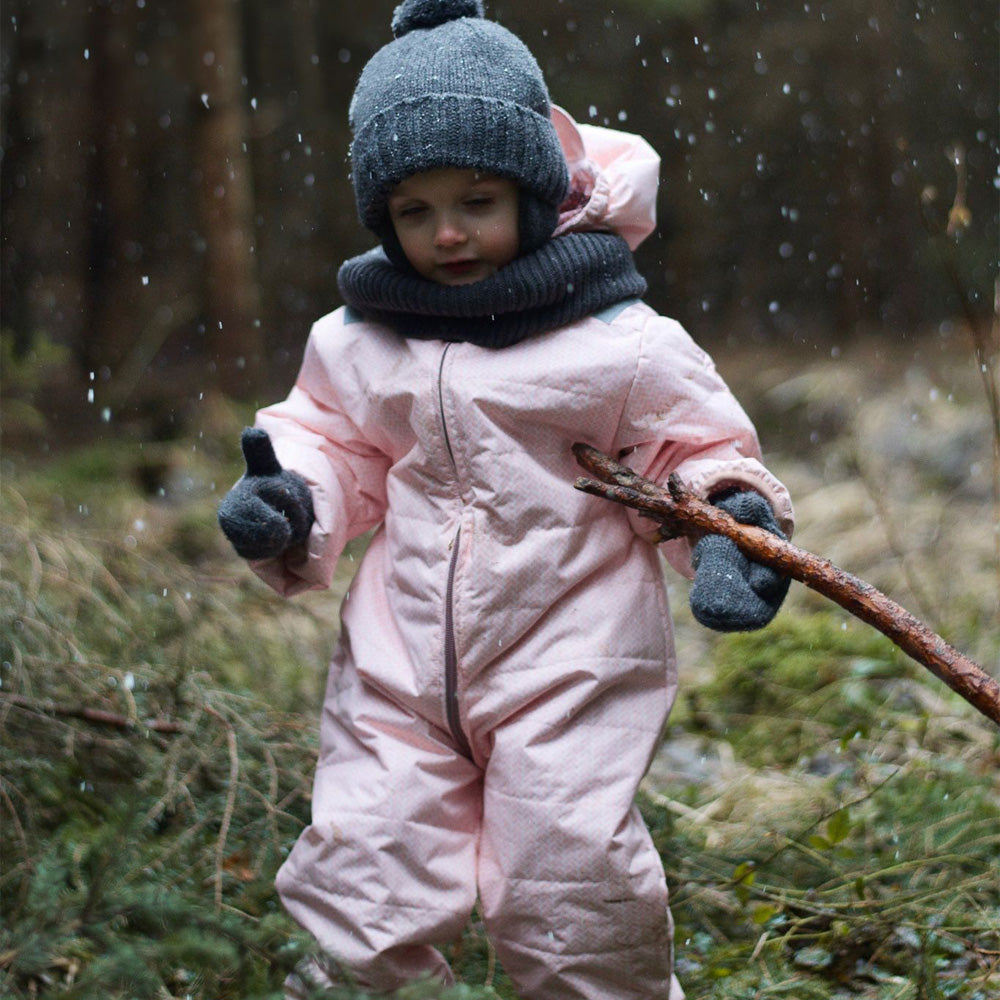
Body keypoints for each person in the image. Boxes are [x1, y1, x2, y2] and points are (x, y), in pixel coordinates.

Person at [218, 1, 794, 997]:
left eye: (476, 201)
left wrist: (733, 527)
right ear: (382, 218)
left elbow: (695, 448)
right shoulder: (359, 338)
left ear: (534, 192)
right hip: (398, 663)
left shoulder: (620, 342)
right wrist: (291, 498)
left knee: (567, 876)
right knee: (365, 860)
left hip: (570, 657)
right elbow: (332, 443)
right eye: (414, 211)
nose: (446, 233)